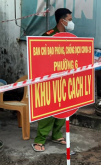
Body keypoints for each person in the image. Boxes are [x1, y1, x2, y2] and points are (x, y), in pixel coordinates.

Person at [32, 8, 75, 152]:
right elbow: (41, 59)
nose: (70, 22)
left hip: (65, 80)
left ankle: (56, 135)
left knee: (63, 110)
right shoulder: (49, 36)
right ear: (61, 20)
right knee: (49, 113)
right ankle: (39, 140)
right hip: (51, 81)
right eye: (69, 20)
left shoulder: (70, 36)